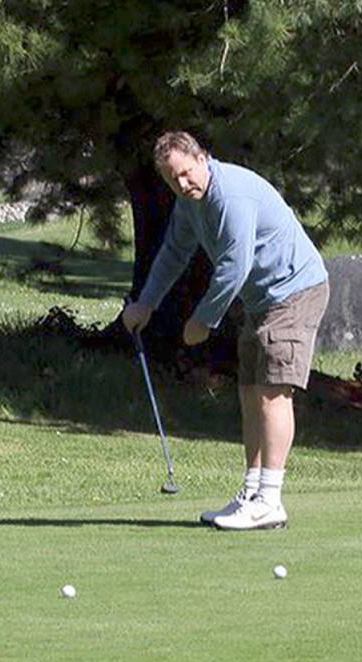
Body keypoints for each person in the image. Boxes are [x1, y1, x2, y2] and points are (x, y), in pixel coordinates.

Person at [122, 131, 329, 531]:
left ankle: (270, 499)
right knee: (250, 393)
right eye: (172, 179)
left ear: (203, 158)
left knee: (272, 392)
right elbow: (173, 253)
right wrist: (146, 303)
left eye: (185, 173)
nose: (182, 184)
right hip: (263, 300)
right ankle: (252, 494)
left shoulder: (231, 196)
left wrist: (203, 321)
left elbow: (235, 267)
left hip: (295, 290)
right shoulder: (189, 204)